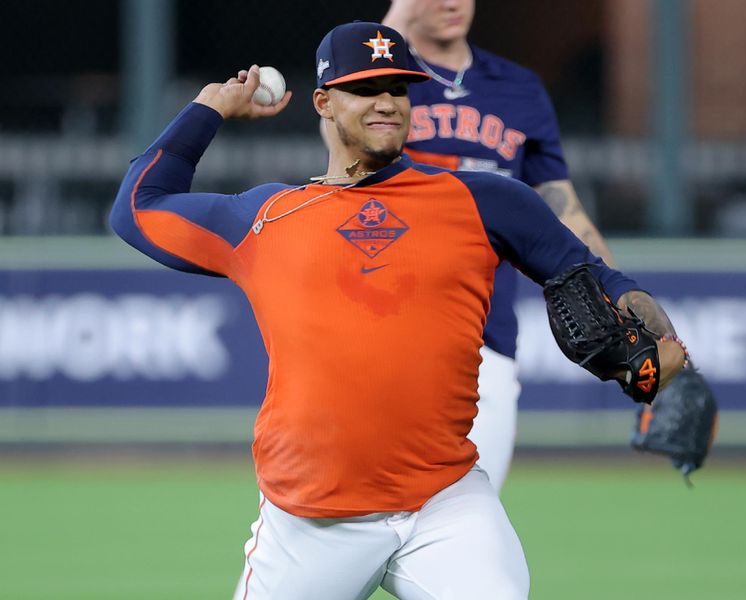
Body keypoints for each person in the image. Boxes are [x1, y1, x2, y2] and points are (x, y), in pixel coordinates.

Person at [111, 21, 686, 600]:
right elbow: (137, 208)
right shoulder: (264, 217)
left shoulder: (484, 201)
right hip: (311, 520)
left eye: (399, 87)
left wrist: (636, 307)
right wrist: (207, 110)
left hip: (446, 506)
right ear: (323, 102)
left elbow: (588, 274)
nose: (387, 102)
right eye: (365, 88)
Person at [382, 0, 619, 490]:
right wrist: (394, 24)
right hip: (383, 330)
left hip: (484, 337)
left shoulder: (519, 89)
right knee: (364, 522)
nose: (452, 3)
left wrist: (617, 293)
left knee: (469, 516)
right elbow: (337, 143)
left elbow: (563, 209)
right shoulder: (384, 81)